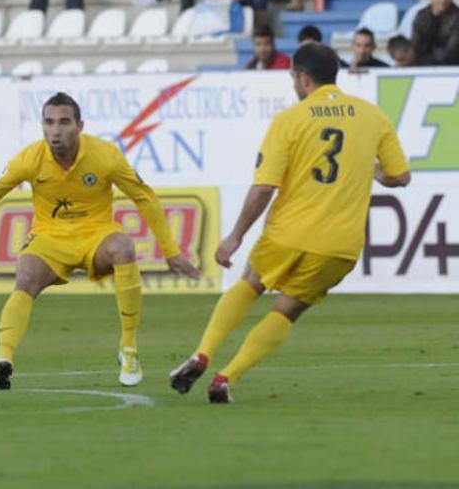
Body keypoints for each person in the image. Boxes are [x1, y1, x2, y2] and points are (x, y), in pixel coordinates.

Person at [169, 43, 411, 403]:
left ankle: (203, 353)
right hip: (340, 246)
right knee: (288, 310)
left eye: (293, 77)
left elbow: (264, 186)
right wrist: (373, 171)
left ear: (304, 77)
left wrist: (235, 236)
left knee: (251, 284)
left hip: (288, 232)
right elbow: (401, 177)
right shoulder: (372, 116)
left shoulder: (290, 119)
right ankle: (225, 378)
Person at [0, 92, 200, 390]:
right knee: (26, 276)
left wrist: (171, 251)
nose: (55, 130)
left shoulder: (105, 156)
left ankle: (129, 349)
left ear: (80, 126)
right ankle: (4, 358)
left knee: (123, 248)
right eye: (48, 122)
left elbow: (143, 195)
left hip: (95, 233)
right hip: (49, 237)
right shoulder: (30, 158)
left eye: (64, 122)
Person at [411, 0, 459, 65]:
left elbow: (452, 50)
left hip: (452, 66)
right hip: (422, 65)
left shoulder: (457, 17)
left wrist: (425, 58)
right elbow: (415, 44)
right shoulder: (421, 16)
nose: (443, 0)